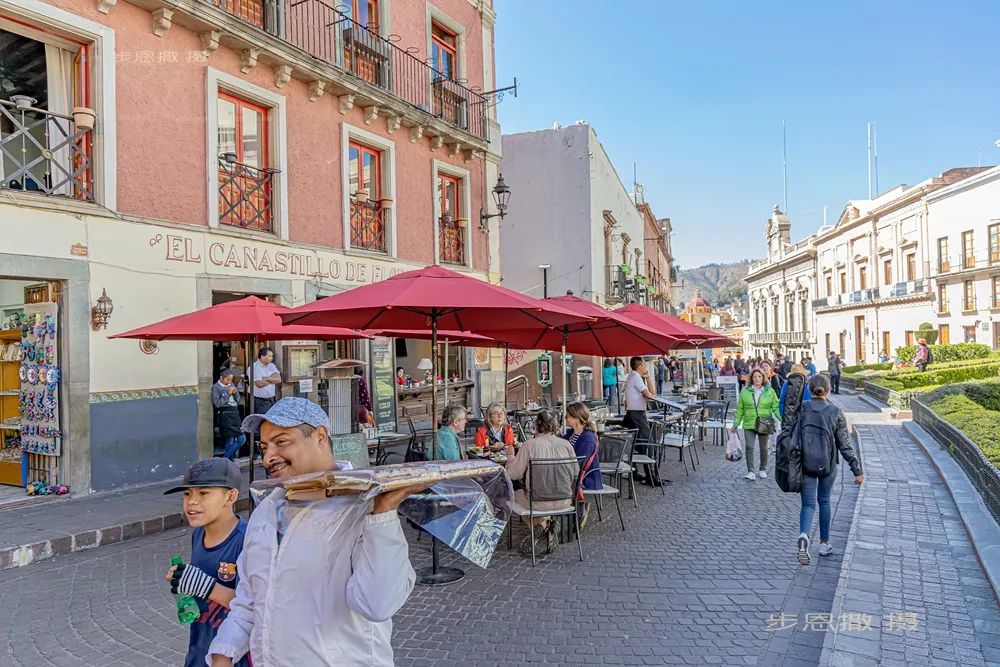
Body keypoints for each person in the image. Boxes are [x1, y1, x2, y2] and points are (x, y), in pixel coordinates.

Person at [207, 398, 428, 666]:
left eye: (281, 441)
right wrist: (223, 653)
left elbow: (377, 605)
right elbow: (250, 599)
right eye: (264, 447)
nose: (268, 457)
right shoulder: (266, 510)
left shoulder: (362, 508)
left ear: (320, 436)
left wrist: (383, 514)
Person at [164, 458, 249, 667]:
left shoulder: (248, 540)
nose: (192, 501)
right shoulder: (198, 534)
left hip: (232, 657)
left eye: (203, 493)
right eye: (187, 494)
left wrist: (204, 586)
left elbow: (254, 606)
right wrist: (184, 583)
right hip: (199, 648)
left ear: (230, 496)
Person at [795, 374, 864, 565]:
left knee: (808, 504)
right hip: (828, 464)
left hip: (805, 462)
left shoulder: (803, 409)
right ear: (829, 390)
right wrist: (856, 470)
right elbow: (844, 444)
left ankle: (804, 535)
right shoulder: (835, 411)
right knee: (824, 501)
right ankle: (824, 543)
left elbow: (790, 433)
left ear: (809, 390)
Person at [504, 409, 576, 556]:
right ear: (556, 426)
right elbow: (575, 472)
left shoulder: (530, 445)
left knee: (514, 493)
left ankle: (542, 524)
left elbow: (514, 474)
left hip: (538, 502)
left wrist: (510, 457)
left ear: (536, 426)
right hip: (565, 501)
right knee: (531, 496)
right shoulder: (566, 444)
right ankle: (547, 524)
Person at [730, 368, 780, 481]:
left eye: (759, 376)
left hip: (764, 422)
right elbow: (740, 409)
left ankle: (762, 469)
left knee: (764, 448)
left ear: (763, 378)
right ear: (751, 378)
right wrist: (735, 424)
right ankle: (750, 471)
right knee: (749, 447)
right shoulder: (745, 391)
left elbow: (776, 407)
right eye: (755, 377)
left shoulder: (770, 391)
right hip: (749, 422)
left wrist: (782, 419)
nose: (757, 379)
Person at [564, 401, 600, 527]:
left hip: (585, 478)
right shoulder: (572, 433)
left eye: (567, 416)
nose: (565, 418)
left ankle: (576, 509)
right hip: (573, 472)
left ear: (576, 418)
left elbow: (580, 464)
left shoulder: (587, 438)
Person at [213, 368, 246, 461]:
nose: (229, 382)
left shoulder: (231, 384)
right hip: (225, 415)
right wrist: (228, 394)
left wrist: (235, 394)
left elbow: (238, 399)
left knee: (237, 439)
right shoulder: (216, 387)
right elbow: (217, 404)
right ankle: (227, 460)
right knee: (236, 439)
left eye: (231, 379)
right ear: (221, 378)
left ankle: (227, 461)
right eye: (227, 380)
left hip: (235, 413)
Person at [622, 356, 653, 443]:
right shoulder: (636, 377)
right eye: (644, 365)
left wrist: (648, 378)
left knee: (637, 440)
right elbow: (650, 395)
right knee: (646, 440)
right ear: (640, 366)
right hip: (636, 414)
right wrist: (648, 379)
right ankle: (646, 457)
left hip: (633, 412)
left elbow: (651, 394)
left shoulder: (633, 375)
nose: (646, 367)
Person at [779, 363, 812, 433]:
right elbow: (809, 399)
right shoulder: (807, 384)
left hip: (789, 415)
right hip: (805, 416)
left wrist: (784, 415)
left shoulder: (786, 384)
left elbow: (782, 401)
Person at [251, 347, 281, 415]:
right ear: (262, 356)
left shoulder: (271, 365)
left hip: (272, 399)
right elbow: (259, 384)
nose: (272, 358)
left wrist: (267, 378)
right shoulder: (254, 367)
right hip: (260, 401)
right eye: (269, 356)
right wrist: (272, 378)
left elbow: (279, 379)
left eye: (272, 356)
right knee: (262, 420)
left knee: (272, 419)